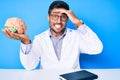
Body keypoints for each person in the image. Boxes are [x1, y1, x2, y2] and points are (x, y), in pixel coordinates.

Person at [2, 0, 103, 70]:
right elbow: (29, 66)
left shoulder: (76, 36)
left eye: (63, 17)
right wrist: (25, 41)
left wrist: (78, 23)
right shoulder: (39, 39)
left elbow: (97, 48)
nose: (58, 21)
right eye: (55, 16)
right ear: (48, 17)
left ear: (68, 18)